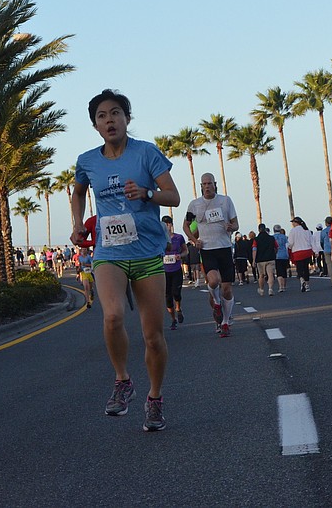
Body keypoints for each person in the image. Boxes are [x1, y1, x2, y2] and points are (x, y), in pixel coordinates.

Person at [71, 89, 180, 432]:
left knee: (153, 337)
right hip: (109, 254)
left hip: (147, 253)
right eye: (102, 116)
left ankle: (155, 398)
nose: (109, 120)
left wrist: (147, 193)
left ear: (126, 119)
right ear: (95, 125)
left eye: (115, 113)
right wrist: (77, 223)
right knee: (113, 316)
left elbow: (173, 196)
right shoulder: (88, 160)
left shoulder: (146, 153)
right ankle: (122, 380)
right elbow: (77, 191)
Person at [183, 172, 239, 337]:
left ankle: (226, 322)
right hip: (207, 249)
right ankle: (216, 302)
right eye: (204, 184)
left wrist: (232, 227)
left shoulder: (225, 201)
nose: (207, 186)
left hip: (225, 247)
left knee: (227, 289)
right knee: (214, 281)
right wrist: (194, 240)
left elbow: (236, 223)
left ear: (215, 184)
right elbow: (186, 226)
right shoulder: (195, 205)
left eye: (209, 183)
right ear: (201, 186)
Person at [162, 215, 188, 330]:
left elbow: (185, 250)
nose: (167, 225)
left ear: (171, 224)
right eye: (164, 223)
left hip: (176, 269)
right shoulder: (159, 239)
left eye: (168, 223)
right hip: (164, 271)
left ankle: (178, 309)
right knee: (168, 297)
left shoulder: (178, 237)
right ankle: (173, 319)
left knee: (176, 293)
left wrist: (180, 255)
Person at [287, 216, 316, 292]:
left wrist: (288, 247)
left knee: (299, 268)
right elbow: (312, 241)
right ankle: (307, 285)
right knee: (306, 268)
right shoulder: (307, 230)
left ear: (296, 223)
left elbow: (290, 243)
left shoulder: (293, 231)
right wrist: (315, 251)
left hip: (297, 252)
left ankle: (301, 280)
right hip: (307, 251)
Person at [253, 223, 277, 296]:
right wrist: (274, 254)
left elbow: (254, 250)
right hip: (270, 258)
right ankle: (270, 289)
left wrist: (254, 260)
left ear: (259, 229)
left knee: (261, 275)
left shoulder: (256, 240)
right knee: (270, 275)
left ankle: (261, 289)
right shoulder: (271, 238)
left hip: (260, 260)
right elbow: (276, 247)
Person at [320, 216, 332, 287]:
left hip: (327, 249)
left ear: (326, 223)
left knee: (330, 266)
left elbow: (321, 241)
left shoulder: (323, 232)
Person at [273, 224, 290, 292]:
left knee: (279, 271)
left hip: (277, 256)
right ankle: (284, 286)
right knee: (284, 271)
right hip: (284, 255)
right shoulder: (284, 237)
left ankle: (281, 286)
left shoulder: (273, 237)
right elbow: (287, 245)